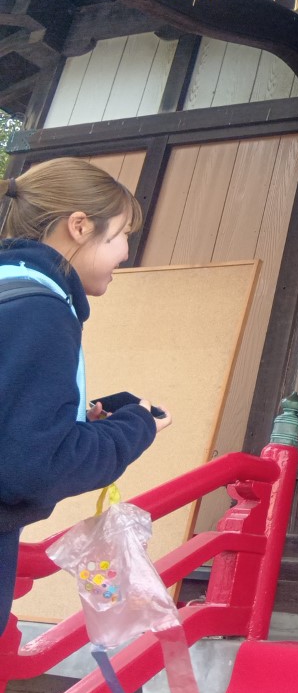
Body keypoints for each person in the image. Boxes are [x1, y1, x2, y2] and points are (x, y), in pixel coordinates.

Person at [0, 158, 171, 632]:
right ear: (79, 227)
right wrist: (135, 426)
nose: (125, 253)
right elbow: (32, 467)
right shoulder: (42, 310)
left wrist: (77, 423)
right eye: (120, 235)